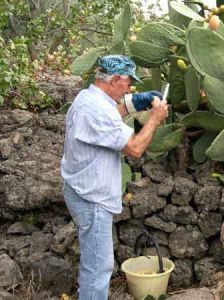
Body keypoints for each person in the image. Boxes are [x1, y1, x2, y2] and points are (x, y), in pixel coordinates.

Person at [60, 55, 168, 300]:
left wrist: (136, 103)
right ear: (115, 79)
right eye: (129, 83)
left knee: (94, 262)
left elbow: (112, 112)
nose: (131, 88)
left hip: (80, 188)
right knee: (99, 267)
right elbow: (135, 148)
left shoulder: (89, 98)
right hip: (91, 197)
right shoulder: (95, 109)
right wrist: (154, 118)